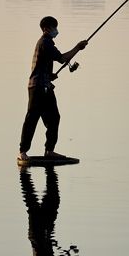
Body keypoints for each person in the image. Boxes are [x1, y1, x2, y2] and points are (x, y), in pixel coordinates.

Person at [18, 16, 88, 162]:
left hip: (45, 86)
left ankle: (49, 151)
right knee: (32, 118)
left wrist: (50, 76)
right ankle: (22, 152)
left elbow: (43, 64)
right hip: (37, 87)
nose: (55, 30)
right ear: (46, 29)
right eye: (53, 27)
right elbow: (62, 58)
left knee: (54, 118)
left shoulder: (47, 43)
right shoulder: (45, 43)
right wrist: (78, 47)